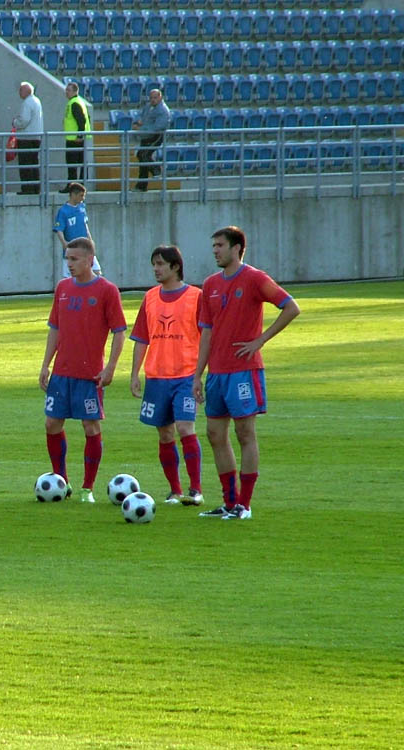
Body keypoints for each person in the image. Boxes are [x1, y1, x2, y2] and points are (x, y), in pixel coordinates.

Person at [194, 226, 301, 520]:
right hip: (217, 372)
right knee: (215, 433)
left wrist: (260, 340)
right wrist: (197, 374)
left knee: (244, 432)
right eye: (213, 245)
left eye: (220, 245)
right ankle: (229, 502)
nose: (215, 250)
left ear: (237, 248)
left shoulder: (255, 279)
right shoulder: (210, 284)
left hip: (244, 370)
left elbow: (291, 307)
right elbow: (206, 331)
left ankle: (245, 504)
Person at [40, 237, 127, 503]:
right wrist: (46, 365)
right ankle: (60, 480)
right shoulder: (63, 288)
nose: (69, 264)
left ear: (90, 260)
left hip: (89, 375)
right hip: (62, 373)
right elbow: (55, 328)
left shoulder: (107, 290)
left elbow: (120, 332)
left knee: (90, 426)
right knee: (52, 423)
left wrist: (110, 367)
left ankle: (87, 488)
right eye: (67, 258)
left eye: (74, 259)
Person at [129, 245, 204, 506]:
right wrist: (135, 373)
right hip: (157, 377)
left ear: (175, 267)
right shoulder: (150, 297)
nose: (156, 269)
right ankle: (175, 490)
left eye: (160, 264)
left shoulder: (196, 296)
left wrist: (202, 372)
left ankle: (196, 489)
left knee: (185, 428)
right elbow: (141, 338)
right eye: (154, 265)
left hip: (185, 375)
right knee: (164, 434)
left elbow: (208, 335)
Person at [52, 182, 101, 278]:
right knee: (70, 277)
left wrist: (90, 239)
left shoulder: (82, 207)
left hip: (85, 247)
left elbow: (85, 224)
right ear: (73, 195)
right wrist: (64, 244)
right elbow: (59, 230)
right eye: (81, 195)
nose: (83, 198)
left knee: (97, 271)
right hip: (73, 249)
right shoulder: (63, 211)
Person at [131, 88, 170, 193]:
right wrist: (139, 123)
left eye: (155, 97)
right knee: (141, 156)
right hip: (146, 136)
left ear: (160, 97)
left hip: (155, 136)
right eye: (151, 98)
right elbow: (144, 118)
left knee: (144, 155)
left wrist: (140, 129)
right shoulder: (148, 107)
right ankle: (141, 186)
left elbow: (157, 127)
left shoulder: (163, 110)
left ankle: (156, 169)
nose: (153, 100)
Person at [12, 81, 43, 195]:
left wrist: (15, 122)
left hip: (26, 138)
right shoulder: (37, 101)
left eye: (21, 90)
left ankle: (27, 189)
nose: (19, 92)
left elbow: (24, 120)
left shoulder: (27, 103)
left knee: (25, 164)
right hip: (36, 137)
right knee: (34, 163)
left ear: (26, 91)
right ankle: (36, 188)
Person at [58, 81, 90, 192]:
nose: (66, 92)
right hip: (75, 138)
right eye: (66, 90)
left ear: (75, 91)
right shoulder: (77, 102)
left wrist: (79, 135)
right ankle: (79, 186)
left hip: (75, 140)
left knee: (72, 165)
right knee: (79, 163)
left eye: (68, 90)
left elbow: (82, 120)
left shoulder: (74, 103)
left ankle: (72, 187)